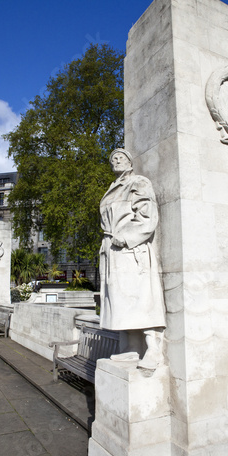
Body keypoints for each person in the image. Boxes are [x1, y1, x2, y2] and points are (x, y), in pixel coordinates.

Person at [99, 148, 166, 369]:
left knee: (142, 298)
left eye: (121, 157)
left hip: (131, 249)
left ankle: (154, 350)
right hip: (113, 251)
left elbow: (148, 216)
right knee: (121, 301)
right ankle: (131, 349)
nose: (117, 160)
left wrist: (126, 236)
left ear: (129, 162)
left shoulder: (138, 182)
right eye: (113, 159)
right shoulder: (113, 188)